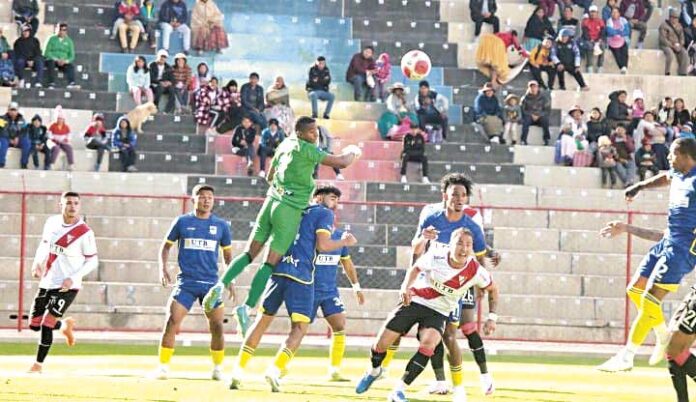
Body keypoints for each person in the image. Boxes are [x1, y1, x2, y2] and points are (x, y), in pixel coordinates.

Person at [202, 117, 362, 337]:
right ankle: (246, 308)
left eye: (316, 132)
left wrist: (285, 185)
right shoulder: (307, 149)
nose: (315, 136)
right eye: (312, 132)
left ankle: (219, 287)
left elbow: (270, 176)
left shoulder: (285, 143)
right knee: (269, 263)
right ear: (301, 133)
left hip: (270, 202)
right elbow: (341, 162)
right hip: (288, 210)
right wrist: (353, 151)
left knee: (249, 254)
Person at [378, 173, 501, 399]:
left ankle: (477, 380)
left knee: (460, 331)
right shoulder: (430, 214)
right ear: (445, 195)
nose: (459, 199)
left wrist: (482, 281)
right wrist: (410, 277)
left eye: (463, 195)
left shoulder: (472, 220)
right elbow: (417, 247)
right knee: (430, 333)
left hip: (460, 283)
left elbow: (479, 250)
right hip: (430, 282)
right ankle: (438, 381)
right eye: (455, 194)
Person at [227, 185, 357, 392]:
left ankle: (237, 372)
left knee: (261, 323)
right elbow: (323, 246)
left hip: (277, 271)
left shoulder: (291, 208)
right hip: (301, 277)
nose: (335, 204)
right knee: (299, 328)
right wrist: (344, 241)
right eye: (333, 198)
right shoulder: (323, 213)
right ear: (318, 198)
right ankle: (275, 370)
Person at [355, 228, 499, 402]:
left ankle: (398, 391)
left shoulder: (476, 270)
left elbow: (493, 289)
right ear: (450, 244)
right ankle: (374, 371)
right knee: (380, 345)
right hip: (415, 301)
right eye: (460, 243)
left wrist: (492, 317)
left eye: (468, 245)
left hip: (439, 312)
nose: (464, 248)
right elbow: (416, 268)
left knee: (428, 345)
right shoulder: (437, 255)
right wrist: (405, 287)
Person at [598, 138, 696, 376]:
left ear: (686, 156)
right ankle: (662, 334)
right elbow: (664, 178)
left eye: (673, 153)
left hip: (682, 250)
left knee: (650, 299)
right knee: (634, 290)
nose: (669, 158)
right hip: (667, 241)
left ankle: (627, 356)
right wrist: (639, 186)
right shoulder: (677, 175)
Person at [155, 184, 233, 380]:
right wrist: (162, 268)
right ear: (193, 199)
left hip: (211, 285)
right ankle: (163, 368)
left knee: (217, 326)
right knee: (171, 321)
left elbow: (228, 256)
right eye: (202, 196)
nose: (206, 200)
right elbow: (165, 247)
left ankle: (217, 369)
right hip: (186, 283)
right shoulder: (182, 222)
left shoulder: (221, 226)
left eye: (210, 197)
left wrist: (229, 278)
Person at [26, 191, 97, 376]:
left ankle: (38, 365)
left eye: (75, 203)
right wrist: (36, 263)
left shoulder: (84, 232)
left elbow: (92, 261)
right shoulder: (51, 223)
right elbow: (44, 244)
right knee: (34, 324)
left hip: (68, 285)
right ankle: (64, 326)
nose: (72, 206)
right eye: (68, 203)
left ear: (79, 206)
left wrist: (73, 277)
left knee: (47, 323)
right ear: (61, 205)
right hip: (48, 280)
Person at [310, 202, 364, 382]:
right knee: (299, 329)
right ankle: (279, 368)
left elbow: (347, 263)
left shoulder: (341, 237)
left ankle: (334, 371)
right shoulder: (312, 236)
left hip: (329, 292)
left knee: (340, 326)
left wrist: (356, 287)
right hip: (308, 289)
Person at [43, 23, 77, 89]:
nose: (61, 32)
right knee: (51, 63)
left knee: (70, 66)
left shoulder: (69, 41)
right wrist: (56, 59)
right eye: (60, 30)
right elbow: (46, 52)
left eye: (64, 30)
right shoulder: (51, 39)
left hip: (63, 61)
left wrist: (65, 61)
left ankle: (71, 83)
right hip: (53, 60)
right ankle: (51, 83)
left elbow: (72, 56)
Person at [660, 8, 690, 76]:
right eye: (673, 18)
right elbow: (663, 39)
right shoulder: (664, 25)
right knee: (670, 54)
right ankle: (667, 72)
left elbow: (682, 38)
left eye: (676, 18)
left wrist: (680, 45)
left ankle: (682, 72)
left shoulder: (679, 26)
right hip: (666, 45)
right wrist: (672, 46)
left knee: (684, 53)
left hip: (677, 45)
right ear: (670, 18)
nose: (675, 20)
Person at [521, 80, 551, 145]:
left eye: (535, 87)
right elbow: (523, 110)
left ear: (537, 88)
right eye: (531, 87)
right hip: (530, 116)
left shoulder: (544, 98)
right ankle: (523, 140)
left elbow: (547, 109)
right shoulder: (525, 98)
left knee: (545, 120)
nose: (533, 89)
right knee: (525, 122)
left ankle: (546, 139)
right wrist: (531, 115)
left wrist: (539, 115)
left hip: (540, 116)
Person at [13, 24, 43, 88]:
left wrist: (32, 60)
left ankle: (38, 82)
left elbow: (38, 52)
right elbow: (18, 54)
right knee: (19, 61)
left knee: (40, 61)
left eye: (27, 31)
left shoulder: (35, 41)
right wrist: (27, 60)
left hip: (33, 59)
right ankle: (21, 79)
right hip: (23, 59)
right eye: (24, 31)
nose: (25, 32)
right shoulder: (18, 42)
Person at [0, 102, 29, 169]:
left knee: (27, 142)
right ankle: (1, 163)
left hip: (17, 140)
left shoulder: (22, 119)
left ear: (17, 111)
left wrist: (17, 137)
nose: (13, 112)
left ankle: (24, 163)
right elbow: (2, 130)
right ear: (8, 110)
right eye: (11, 110)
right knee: (3, 141)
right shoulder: (1, 119)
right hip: (6, 139)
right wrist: (9, 139)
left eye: (14, 110)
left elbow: (24, 131)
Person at [581, 5, 606, 73]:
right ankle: (589, 66)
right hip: (588, 39)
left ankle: (600, 66)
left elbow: (603, 32)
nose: (593, 13)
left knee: (602, 46)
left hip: (598, 39)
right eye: (591, 12)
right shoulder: (586, 21)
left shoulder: (600, 21)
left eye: (594, 12)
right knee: (589, 46)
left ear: (597, 13)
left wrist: (599, 39)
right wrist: (590, 39)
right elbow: (585, 33)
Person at [47, 107, 74, 171]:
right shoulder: (52, 125)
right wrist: (54, 140)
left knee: (69, 148)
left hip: (62, 142)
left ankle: (71, 164)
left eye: (61, 119)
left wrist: (65, 140)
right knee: (56, 148)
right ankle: (51, 164)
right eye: (59, 119)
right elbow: (49, 135)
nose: (60, 120)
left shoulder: (66, 127)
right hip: (53, 142)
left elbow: (69, 135)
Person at [149, 49, 176, 113]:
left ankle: (167, 110)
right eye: (161, 56)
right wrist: (159, 82)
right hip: (154, 84)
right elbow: (150, 77)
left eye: (164, 57)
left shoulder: (168, 67)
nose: (163, 58)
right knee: (160, 88)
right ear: (158, 56)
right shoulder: (151, 65)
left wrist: (169, 82)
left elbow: (172, 79)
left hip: (164, 84)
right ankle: (155, 106)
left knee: (172, 90)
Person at [606, 7, 631, 74]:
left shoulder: (623, 20)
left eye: (616, 12)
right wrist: (620, 32)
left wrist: (617, 32)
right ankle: (622, 67)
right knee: (617, 53)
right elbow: (610, 32)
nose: (614, 14)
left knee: (625, 51)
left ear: (619, 13)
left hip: (622, 40)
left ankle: (624, 67)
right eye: (613, 12)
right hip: (612, 41)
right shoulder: (609, 21)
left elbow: (627, 31)